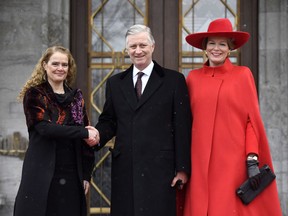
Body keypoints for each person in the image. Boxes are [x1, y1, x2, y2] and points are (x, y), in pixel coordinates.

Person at [183, 18, 282, 216]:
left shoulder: (242, 75)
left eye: (222, 44)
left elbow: (251, 122)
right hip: (199, 163)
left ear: (230, 48)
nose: (216, 48)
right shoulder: (192, 78)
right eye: (212, 43)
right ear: (205, 46)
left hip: (232, 163)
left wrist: (252, 160)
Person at [93, 24, 192, 216]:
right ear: (127, 50)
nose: (138, 51)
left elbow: (182, 127)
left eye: (142, 45)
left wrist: (182, 168)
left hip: (161, 169)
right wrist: (96, 135)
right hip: (126, 169)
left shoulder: (174, 80)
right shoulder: (115, 83)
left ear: (152, 47)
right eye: (132, 46)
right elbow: (109, 121)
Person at [14, 45, 98, 216]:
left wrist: (86, 174)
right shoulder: (35, 94)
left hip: (72, 173)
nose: (60, 68)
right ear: (45, 65)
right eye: (55, 64)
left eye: (64, 65)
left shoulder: (76, 97)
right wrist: (83, 132)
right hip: (41, 170)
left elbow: (86, 138)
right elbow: (44, 128)